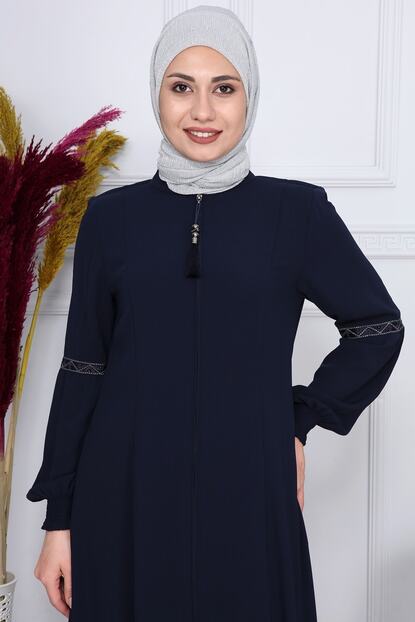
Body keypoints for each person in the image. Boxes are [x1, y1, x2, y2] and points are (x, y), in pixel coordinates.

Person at [26, 5, 405, 622]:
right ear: (157, 95)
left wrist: (299, 419)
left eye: (223, 89)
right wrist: (58, 522)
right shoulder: (111, 220)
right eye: (182, 88)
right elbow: (83, 369)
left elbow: (377, 328)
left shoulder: (297, 214)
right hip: (124, 494)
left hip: (251, 490)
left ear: (249, 95)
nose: (202, 111)